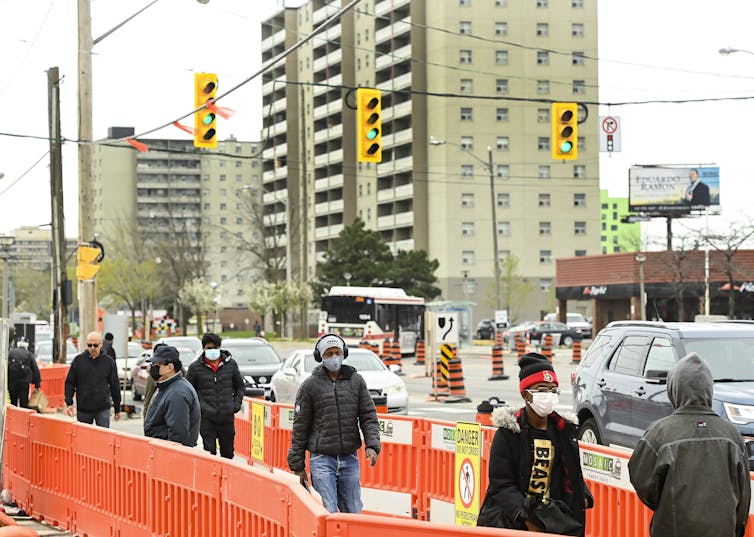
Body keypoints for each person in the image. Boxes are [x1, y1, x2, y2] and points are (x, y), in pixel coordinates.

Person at [628, 353, 750, 537]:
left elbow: (642, 482)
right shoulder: (731, 435)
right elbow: (743, 496)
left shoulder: (660, 433)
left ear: (674, 389)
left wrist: (667, 505)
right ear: (709, 389)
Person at [477, 352, 593, 535]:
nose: (548, 395)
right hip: (514, 524)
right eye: (541, 389)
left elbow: (570, 471)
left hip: (553, 523)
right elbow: (502, 484)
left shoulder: (564, 431)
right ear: (525, 394)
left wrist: (583, 495)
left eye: (553, 389)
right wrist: (526, 520)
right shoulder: (509, 433)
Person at [288, 333, 381, 513]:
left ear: (344, 353)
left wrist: (372, 445)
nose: (333, 357)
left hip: (350, 458)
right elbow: (300, 427)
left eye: (337, 352)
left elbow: (368, 415)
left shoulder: (356, 381)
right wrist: (298, 466)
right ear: (320, 357)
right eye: (328, 353)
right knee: (328, 511)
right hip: (321, 460)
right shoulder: (310, 386)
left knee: (353, 510)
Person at [186, 332, 244, 458]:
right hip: (206, 419)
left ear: (220, 348)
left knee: (228, 454)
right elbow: (189, 391)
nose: (212, 351)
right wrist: (199, 407)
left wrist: (235, 405)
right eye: (209, 348)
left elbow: (240, 386)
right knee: (209, 455)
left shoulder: (231, 365)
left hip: (227, 418)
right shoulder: (195, 368)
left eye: (215, 348)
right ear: (204, 349)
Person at [143, 345, 201, 447]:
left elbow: (177, 436)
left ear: (170, 367)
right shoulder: (167, 386)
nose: (152, 368)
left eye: (156, 365)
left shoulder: (177, 393)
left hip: (170, 454)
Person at [64, 332, 121, 427]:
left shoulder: (108, 362)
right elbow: (70, 383)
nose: (92, 348)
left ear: (101, 344)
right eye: (89, 345)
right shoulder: (78, 361)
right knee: (84, 438)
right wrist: (69, 402)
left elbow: (115, 385)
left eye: (95, 345)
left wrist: (117, 408)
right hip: (83, 408)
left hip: (103, 408)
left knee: (103, 438)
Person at [7, 338, 41, 408]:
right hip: (24, 382)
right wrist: (37, 385)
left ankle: (14, 416)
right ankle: (23, 417)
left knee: (13, 402)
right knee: (24, 402)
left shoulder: (11, 353)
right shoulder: (29, 354)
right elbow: (35, 369)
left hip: (11, 381)